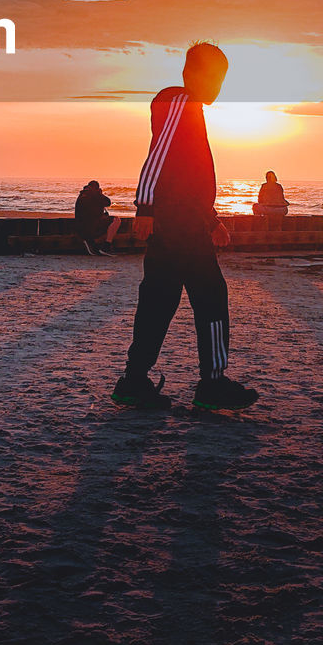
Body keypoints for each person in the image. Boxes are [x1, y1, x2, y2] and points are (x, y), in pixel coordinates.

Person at [113, 42, 259, 413]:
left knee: (158, 302)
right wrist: (144, 207)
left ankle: (133, 381)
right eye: (215, 78)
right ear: (193, 74)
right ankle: (212, 384)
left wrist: (213, 220)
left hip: (183, 222)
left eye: (222, 80)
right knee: (211, 296)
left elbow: (188, 179)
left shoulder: (188, 108)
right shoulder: (179, 101)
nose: (218, 88)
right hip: (178, 226)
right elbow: (157, 155)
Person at [74, 180, 119, 255]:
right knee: (116, 220)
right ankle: (106, 245)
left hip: (81, 227)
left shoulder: (82, 195)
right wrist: (100, 194)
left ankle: (92, 242)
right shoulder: (94, 195)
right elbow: (108, 202)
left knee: (104, 223)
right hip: (92, 227)